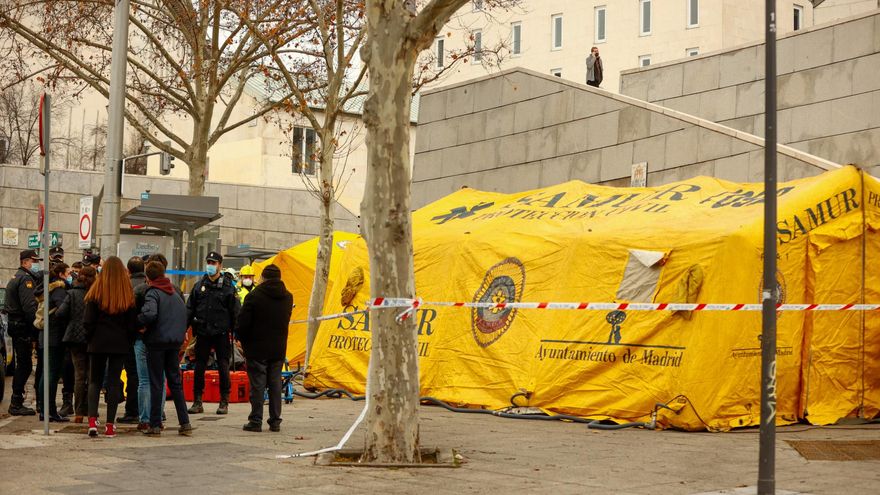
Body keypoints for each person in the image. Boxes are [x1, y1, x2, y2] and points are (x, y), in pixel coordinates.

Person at [83, 256, 138, 438]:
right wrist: (128, 341)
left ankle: (92, 422)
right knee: (114, 383)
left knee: (94, 381)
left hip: (97, 342)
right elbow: (132, 325)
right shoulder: (127, 294)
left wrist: (90, 339)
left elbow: (88, 321)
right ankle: (109, 425)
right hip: (119, 344)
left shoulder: (95, 292)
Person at [138, 261, 194, 437]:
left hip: (157, 343)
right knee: (175, 383)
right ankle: (185, 423)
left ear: (148, 277)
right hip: (174, 343)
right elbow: (184, 316)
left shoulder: (153, 293)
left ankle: (155, 424)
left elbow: (149, 314)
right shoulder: (175, 293)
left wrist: (138, 323)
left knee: (156, 382)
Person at [235, 264, 293, 432]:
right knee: (275, 384)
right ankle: (275, 421)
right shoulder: (288, 297)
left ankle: (256, 420)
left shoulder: (253, 296)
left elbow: (243, 323)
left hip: (256, 348)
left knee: (258, 385)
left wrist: (241, 339)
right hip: (278, 348)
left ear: (263, 278)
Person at [187, 251, 240, 415]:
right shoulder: (199, 286)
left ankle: (224, 401)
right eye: (208, 262)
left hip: (221, 332)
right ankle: (197, 401)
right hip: (203, 332)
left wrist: (237, 334)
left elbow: (236, 312)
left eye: (213, 263)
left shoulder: (228, 287)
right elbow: (189, 309)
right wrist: (183, 329)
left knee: (223, 365)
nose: (210, 265)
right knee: (199, 366)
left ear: (220, 266)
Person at [4, 250, 43, 416]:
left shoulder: (16, 276)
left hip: (16, 325)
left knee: (23, 364)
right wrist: (35, 329)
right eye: (34, 261)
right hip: (22, 327)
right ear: (26, 262)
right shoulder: (26, 279)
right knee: (25, 365)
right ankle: (16, 402)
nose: (36, 264)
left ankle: (16, 401)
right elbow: (29, 308)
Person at [57, 266, 97, 423]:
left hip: (75, 338)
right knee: (92, 375)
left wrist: (71, 322)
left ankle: (79, 412)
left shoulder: (72, 293)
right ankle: (91, 410)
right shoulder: (96, 293)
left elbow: (60, 313)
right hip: (93, 338)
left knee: (79, 375)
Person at [34, 262, 71, 422]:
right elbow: (62, 310)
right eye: (68, 273)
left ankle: (45, 409)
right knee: (51, 374)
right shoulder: (59, 290)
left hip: (45, 334)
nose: (69, 276)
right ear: (61, 274)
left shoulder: (46, 288)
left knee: (46, 373)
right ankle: (49, 410)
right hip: (55, 336)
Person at [117, 257, 146, 425]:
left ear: (128, 270)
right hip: (148, 336)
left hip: (129, 337)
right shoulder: (149, 285)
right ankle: (150, 410)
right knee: (148, 376)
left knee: (133, 374)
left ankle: (132, 410)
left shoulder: (125, 286)